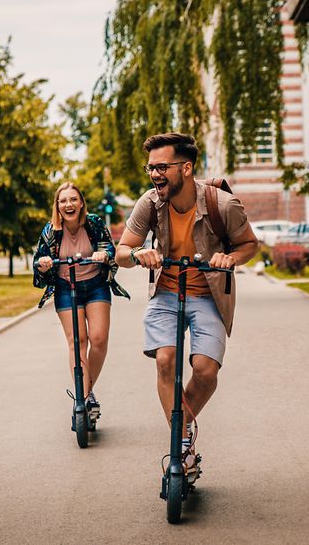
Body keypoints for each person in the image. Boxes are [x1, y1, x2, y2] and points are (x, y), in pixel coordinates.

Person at [115, 132, 258, 476]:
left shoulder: (223, 205)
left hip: (208, 294)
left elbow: (250, 245)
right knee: (165, 360)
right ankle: (182, 445)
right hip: (166, 291)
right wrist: (138, 254)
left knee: (206, 371)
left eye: (162, 167)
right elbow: (122, 252)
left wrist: (229, 257)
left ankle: (180, 431)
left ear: (186, 167)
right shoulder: (149, 203)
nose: (154, 174)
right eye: (150, 168)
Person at [34, 181, 129, 418]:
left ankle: (85, 392)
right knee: (78, 341)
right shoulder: (50, 232)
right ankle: (83, 400)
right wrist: (44, 266)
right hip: (67, 288)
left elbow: (111, 250)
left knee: (98, 339)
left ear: (81, 203)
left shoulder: (94, 223)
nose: (69, 204)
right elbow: (38, 266)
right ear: (57, 206)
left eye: (73, 199)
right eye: (63, 200)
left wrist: (103, 254)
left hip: (96, 285)